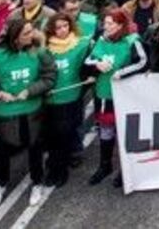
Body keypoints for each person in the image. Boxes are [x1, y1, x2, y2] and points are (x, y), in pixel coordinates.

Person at [0, 19, 57, 208]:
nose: (31, 35)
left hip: (32, 110)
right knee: (4, 150)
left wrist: (30, 91)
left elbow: (50, 77)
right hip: (6, 112)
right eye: (26, 33)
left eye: (31, 31)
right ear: (15, 38)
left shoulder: (39, 52)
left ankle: (37, 182)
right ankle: (1, 184)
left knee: (35, 148)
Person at [85, 9, 145, 188]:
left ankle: (124, 169)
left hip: (124, 94)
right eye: (105, 23)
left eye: (111, 23)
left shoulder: (132, 40)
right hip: (104, 93)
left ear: (120, 25)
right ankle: (105, 166)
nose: (106, 26)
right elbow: (88, 61)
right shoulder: (101, 40)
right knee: (105, 129)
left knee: (123, 132)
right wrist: (97, 65)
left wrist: (122, 72)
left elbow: (143, 62)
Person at [42, 13, 90, 190]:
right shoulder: (44, 48)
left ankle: (60, 171)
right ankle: (54, 165)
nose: (62, 30)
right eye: (58, 27)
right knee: (52, 136)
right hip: (50, 100)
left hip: (71, 98)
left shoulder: (81, 44)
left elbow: (91, 63)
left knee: (65, 135)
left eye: (65, 26)